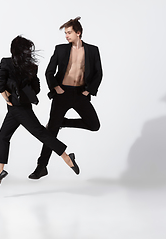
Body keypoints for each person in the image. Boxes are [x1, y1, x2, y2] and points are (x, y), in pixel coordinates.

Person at [0, 36, 79, 190]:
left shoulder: (6, 62)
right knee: (4, 136)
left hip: (19, 109)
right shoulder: (31, 66)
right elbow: (37, 88)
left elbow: (0, 85)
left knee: (40, 133)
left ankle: (66, 157)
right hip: (16, 108)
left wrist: (8, 98)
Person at [29, 17, 103, 179]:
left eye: (69, 32)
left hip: (80, 93)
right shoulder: (61, 49)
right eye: (65, 33)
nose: (66, 36)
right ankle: (41, 167)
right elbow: (49, 72)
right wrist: (56, 87)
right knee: (51, 133)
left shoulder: (92, 50)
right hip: (62, 94)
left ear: (79, 33)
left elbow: (98, 73)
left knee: (94, 124)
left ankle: (64, 122)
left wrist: (88, 91)